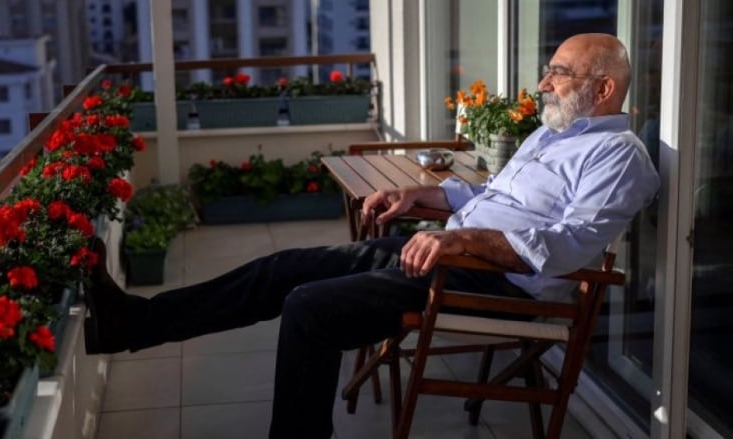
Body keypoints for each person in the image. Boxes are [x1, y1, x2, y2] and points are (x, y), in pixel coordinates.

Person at [84, 33, 660, 438]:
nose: (543, 83)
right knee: (283, 267)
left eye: (559, 73)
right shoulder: (550, 135)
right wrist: (424, 198)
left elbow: (565, 249)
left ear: (603, 89)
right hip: (449, 253)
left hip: (496, 283)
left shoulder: (617, 155)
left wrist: (460, 241)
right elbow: (492, 201)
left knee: (310, 308)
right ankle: (129, 324)